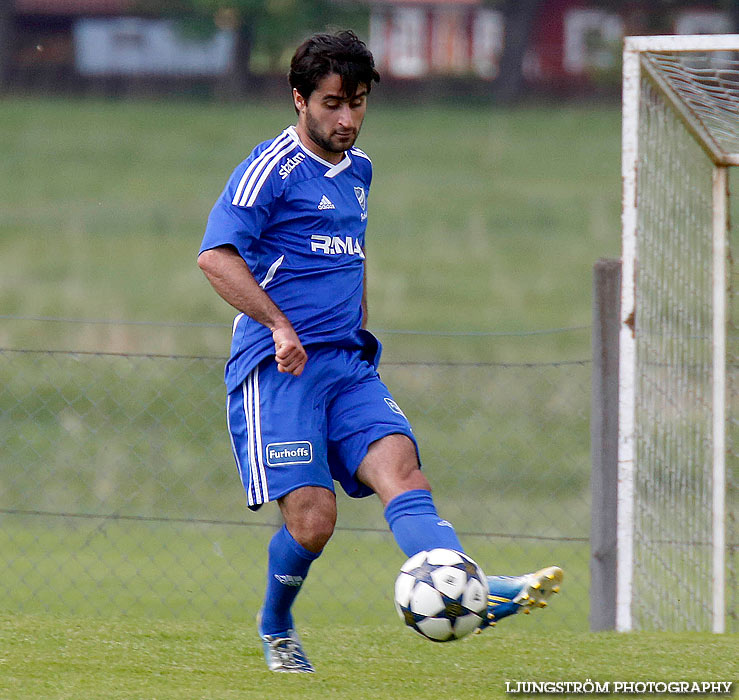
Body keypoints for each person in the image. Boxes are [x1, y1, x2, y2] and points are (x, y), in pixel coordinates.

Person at [198, 30, 562, 674]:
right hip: (277, 368)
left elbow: (352, 257)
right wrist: (281, 326)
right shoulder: (269, 171)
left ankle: (467, 582)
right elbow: (215, 257)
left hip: (345, 365)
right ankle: (276, 622)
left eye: (358, 103)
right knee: (314, 522)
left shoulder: (360, 171)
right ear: (300, 101)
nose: (347, 118)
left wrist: (359, 333)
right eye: (333, 103)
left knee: (402, 470)